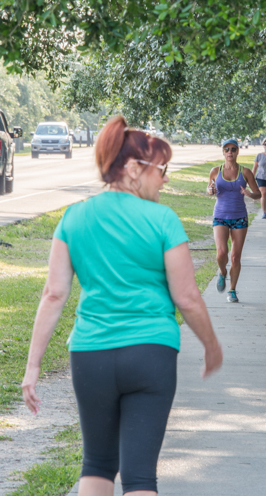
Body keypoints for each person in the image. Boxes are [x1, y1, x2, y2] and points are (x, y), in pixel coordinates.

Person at [22, 116, 223, 496]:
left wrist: (32, 368)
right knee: (140, 477)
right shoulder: (163, 219)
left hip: (90, 355)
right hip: (151, 354)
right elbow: (187, 297)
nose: (165, 179)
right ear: (132, 169)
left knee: (96, 465)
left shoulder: (73, 217)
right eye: (160, 169)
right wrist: (212, 345)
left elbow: (53, 295)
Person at [207, 138, 262, 303]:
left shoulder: (245, 172)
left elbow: (258, 193)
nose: (230, 152)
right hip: (220, 216)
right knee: (222, 253)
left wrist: (250, 194)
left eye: (233, 149)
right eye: (227, 149)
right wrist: (210, 190)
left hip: (239, 217)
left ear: (237, 151)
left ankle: (232, 290)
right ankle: (222, 272)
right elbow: (210, 188)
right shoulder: (215, 171)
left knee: (236, 257)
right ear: (223, 152)